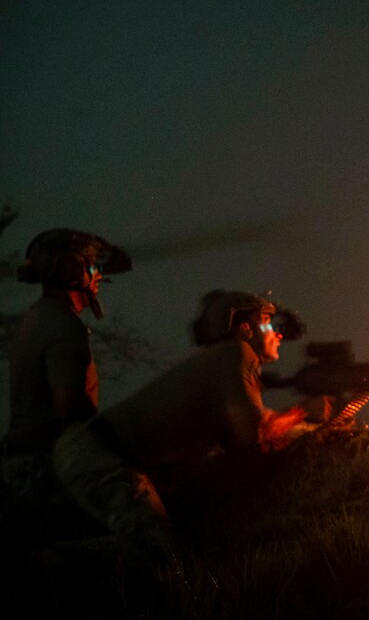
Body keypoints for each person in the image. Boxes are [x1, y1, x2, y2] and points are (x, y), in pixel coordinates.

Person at [51, 289, 310, 556]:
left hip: (93, 451)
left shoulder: (223, 360)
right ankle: (45, 566)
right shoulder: (238, 352)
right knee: (159, 552)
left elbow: (247, 435)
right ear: (245, 330)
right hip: (98, 455)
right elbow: (253, 436)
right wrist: (304, 412)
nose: (277, 334)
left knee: (156, 538)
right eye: (266, 323)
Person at [1, 228, 131, 540]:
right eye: (93, 266)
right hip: (47, 469)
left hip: (21, 467)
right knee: (142, 531)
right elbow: (69, 414)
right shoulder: (62, 325)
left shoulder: (36, 317)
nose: (99, 275)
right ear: (72, 270)